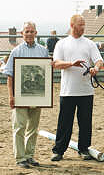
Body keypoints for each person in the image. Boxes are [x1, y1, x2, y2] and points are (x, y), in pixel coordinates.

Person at [51, 15, 103, 162]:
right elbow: (56, 63)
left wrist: (96, 68)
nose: (83, 27)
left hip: (86, 91)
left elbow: (99, 60)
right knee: (64, 122)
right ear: (72, 25)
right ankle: (58, 150)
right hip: (68, 91)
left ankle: (84, 149)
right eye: (80, 25)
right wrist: (71, 64)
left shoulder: (89, 44)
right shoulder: (62, 44)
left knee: (85, 122)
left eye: (84, 25)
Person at [2, 22, 48, 168]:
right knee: (19, 127)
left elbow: (45, 75)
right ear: (22, 33)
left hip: (37, 95)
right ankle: (20, 158)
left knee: (33, 128)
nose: (29, 34)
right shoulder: (16, 51)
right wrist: (11, 96)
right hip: (20, 96)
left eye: (31, 31)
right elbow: (9, 76)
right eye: (26, 31)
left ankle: (29, 156)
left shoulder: (43, 51)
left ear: (36, 33)